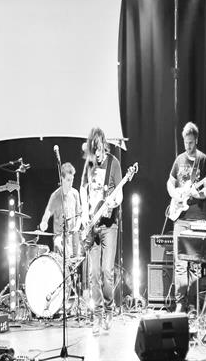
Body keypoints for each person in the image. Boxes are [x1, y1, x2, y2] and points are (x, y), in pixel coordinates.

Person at [166, 122, 206, 313]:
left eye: (191, 143)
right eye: (186, 142)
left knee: (195, 264)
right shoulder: (179, 160)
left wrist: (196, 194)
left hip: (198, 219)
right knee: (180, 263)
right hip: (180, 218)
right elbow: (170, 182)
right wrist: (175, 195)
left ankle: (193, 304)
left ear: (197, 140)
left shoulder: (204, 160)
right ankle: (180, 302)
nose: (188, 146)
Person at [80, 127, 122, 334]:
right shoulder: (89, 164)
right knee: (93, 273)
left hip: (109, 225)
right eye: (93, 150)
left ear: (104, 145)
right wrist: (83, 214)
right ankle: (97, 316)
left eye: (98, 149)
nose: (96, 154)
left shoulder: (114, 163)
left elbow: (120, 193)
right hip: (92, 227)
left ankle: (109, 309)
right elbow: (82, 188)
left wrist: (113, 202)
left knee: (107, 271)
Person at [39, 162, 81, 257]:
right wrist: (44, 222)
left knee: (75, 261)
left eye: (72, 180)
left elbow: (79, 215)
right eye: (68, 180)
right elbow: (48, 212)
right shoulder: (55, 196)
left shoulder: (75, 193)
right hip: (60, 238)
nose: (71, 183)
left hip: (73, 238)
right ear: (62, 179)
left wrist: (77, 227)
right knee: (60, 255)